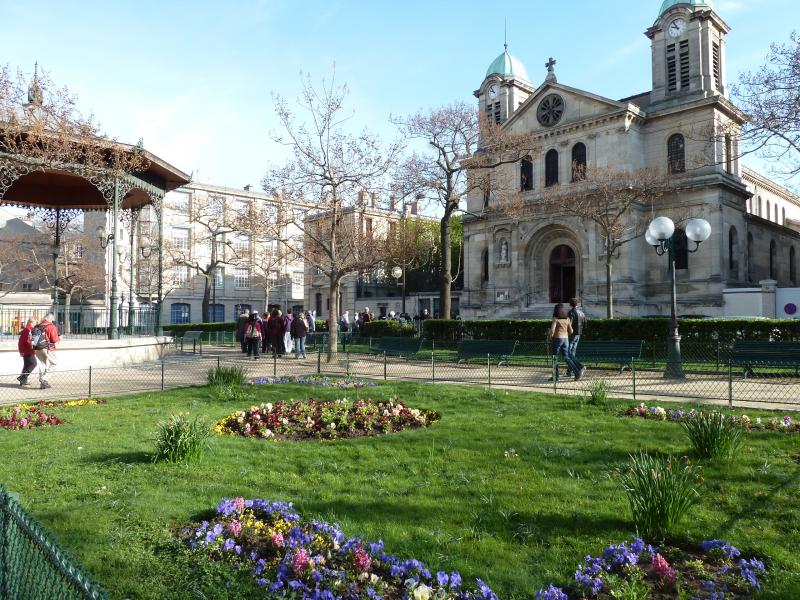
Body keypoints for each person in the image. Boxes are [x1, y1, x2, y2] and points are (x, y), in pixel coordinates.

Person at [548, 303, 584, 381]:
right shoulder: (567, 319)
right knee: (567, 357)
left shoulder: (556, 319)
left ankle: (556, 376)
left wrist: (551, 336)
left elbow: (552, 330)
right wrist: (565, 334)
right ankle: (577, 371)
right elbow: (571, 331)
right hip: (566, 339)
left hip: (557, 339)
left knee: (555, 358)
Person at [35, 313, 60, 389]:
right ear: (50, 318)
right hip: (48, 348)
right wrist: (60, 338)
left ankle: (43, 384)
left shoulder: (37, 326)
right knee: (54, 364)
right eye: (52, 319)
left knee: (42, 364)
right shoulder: (51, 326)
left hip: (37, 347)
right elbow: (54, 339)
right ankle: (44, 379)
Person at [566, 298, 587, 377]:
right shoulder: (582, 313)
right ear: (577, 304)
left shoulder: (570, 313)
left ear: (570, 304)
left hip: (571, 335)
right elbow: (585, 324)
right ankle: (570, 370)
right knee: (572, 353)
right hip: (579, 334)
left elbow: (569, 325)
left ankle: (579, 367)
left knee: (568, 353)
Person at [17, 317, 37, 386]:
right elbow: (22, 342)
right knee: (33, 364)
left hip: (28, 350)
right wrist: (21, 351)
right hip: (28, 350)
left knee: (26, 365)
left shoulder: (29, 330)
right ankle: (22, 377)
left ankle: (23, 381)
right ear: (31, 323)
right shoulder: (27, 330)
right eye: (34, 323)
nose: (35, 324)